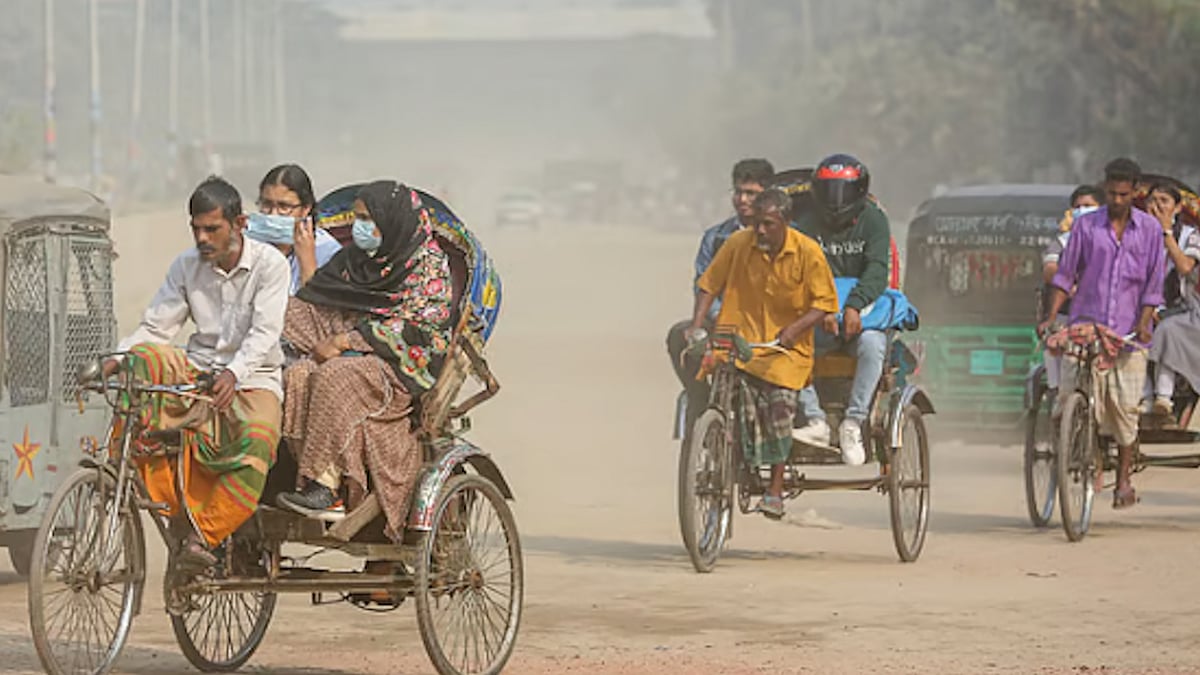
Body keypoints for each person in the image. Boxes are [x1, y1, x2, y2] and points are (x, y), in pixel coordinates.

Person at [108, 176, 290, 568]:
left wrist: (234, 374)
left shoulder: (270, 265)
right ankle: (149, 496)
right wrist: (119, 357)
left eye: (212, 228)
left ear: (240, 224)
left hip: (255, 378)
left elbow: (264, 334)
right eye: (196, 229)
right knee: (143, 361)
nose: (202, 238)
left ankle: (203, 534)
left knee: (258, 439)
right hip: (198, 371)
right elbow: (157, 328)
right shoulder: (186, 265)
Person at [274, 181, 454, 541]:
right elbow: (319, 300)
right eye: (357, 218)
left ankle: (328, 488)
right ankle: (303, 476)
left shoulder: (427, 268)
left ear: (392, 222)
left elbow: (419, 329)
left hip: (398, 366)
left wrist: (346, 341)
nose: (360, 228)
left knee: (334, 376)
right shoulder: (356, 261)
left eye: (367, 219)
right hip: (348, 350)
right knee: (297, 373)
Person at [686, 188, 838, 519]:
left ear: (786, 222)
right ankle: (720, 452)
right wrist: (697, 326)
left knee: (779, 407)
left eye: (768, 224)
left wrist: (794, 330)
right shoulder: (739, 244)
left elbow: (825, 304)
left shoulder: (807, 252)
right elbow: (709, 284)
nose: (761, 231)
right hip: (738, 341)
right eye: (756, 223)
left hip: (785, 351)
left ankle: (775, 489)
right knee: (720, 390)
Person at [1039, 158, 1164, 509]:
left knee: (1125, 411)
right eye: (1111, 193)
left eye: (1124, 194)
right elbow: (1065, 277)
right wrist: (1051, 317)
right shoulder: (1086, 228)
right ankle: (1077, 453)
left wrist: (1144, 320)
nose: (1118, 200)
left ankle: (1123, 480)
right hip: (1085, 325)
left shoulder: (1151, 231)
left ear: (1134, 191)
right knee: (1070, 398)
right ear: (1105, 188)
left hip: (1129, 332)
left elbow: (1154, 286)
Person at [790, 154, 890, 465]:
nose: (836, 202)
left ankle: (853, 422)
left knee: (874, 346)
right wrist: (823, 310)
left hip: (862, 316)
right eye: (830, 192)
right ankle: (816, 420)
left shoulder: (874, 221)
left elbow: (876, 270)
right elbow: (800, 274)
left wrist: (854, 307)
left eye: (843, 193)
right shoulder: (805, 227)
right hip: (818, 318)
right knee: (789, 345)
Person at [667, 159, 775, 434]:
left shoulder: (784, 236)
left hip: (767, 325)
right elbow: (704, 284)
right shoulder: (716, 237)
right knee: (679, 337)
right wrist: (718, 318)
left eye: (751, 193)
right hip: (721, 323)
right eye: (738, 192)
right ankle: (700, 402)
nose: (742, 199)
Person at [1040, 184, 1104, 394]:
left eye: (1088, 206)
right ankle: (1056, 390)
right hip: (1068, 312)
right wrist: (1072, 286)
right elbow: (1050, 271)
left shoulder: (1111, 238)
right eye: (1078, 206)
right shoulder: (1062, 241)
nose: (1082, 210)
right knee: (1053, 338)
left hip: (1104, 314)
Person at [246, 163, 343, 295]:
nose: (273, 214)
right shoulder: (250, 242)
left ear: (305, 209)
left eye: (284, 207)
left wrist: (307, 261)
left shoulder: (327, 250)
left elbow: (319, 309)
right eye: (266, 204)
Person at [1147, 182, 1200, 417]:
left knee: (1168, 329)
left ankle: (1162, 397)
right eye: (1153, 201)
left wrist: (1166, 232)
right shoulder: (1134, 232)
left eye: (1164, 201)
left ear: (1177, 208)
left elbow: (1186, 267)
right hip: (1140, 305)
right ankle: (1141, 396)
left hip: (1184, 308)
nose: (1157, 206)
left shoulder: (1191, 235)